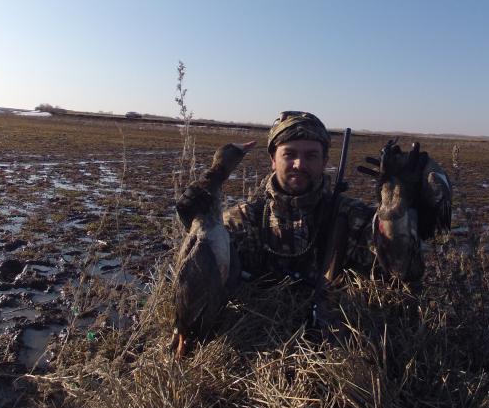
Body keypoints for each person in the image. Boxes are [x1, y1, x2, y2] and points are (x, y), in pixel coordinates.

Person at [171, 110, 452, 353]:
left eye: (311, 155)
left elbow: (404, 272)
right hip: (255, 351)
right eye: (289, 154)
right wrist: (195, 225)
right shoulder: (244, 220)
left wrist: (395, 211)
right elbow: (201, 281)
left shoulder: (350, 217)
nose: (299, 164)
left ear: (324, 160)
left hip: (336, 354)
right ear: (273, 159)